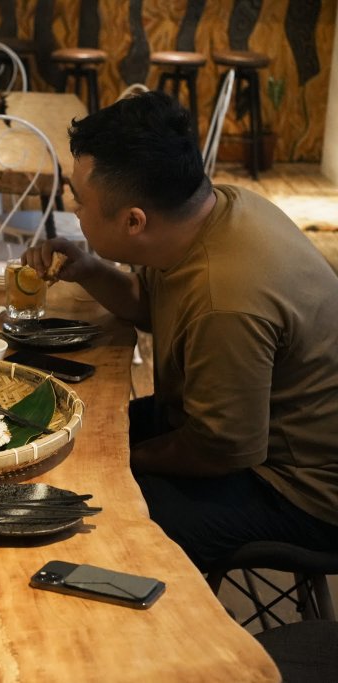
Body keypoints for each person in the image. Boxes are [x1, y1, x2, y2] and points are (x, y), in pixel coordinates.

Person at [23, 91, 338, 571]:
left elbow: (221, 451)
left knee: (93, 512)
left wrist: (119, 460)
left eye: (79, 200)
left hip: (300, 490)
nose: (75, 212)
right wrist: (89, 268)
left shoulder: (227, 299)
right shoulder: (213, 211)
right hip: (235, 438)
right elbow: (152, 304)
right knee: (66, 430)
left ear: (134, 221)